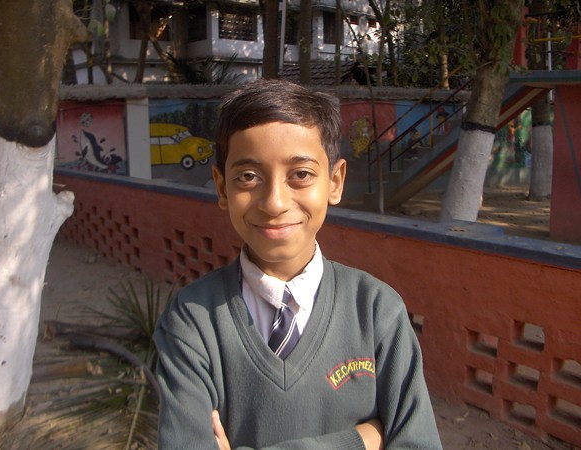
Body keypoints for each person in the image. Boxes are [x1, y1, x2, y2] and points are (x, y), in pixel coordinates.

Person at [154, 79, 442, 450]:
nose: (274, 202)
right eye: (248, 177)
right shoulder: (193, 319)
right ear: (222, 188)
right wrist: (360, 440)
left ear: (334, 181)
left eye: (301, 174)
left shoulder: (376, 311)